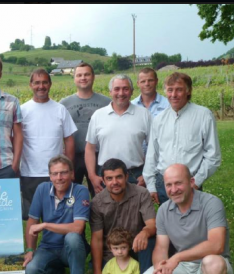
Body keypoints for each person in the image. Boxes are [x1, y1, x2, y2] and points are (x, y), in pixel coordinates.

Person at [140, 164, 233, 274]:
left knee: (212, 263)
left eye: (178, 183)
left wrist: (177, 258)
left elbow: (216, 245)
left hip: (211, 266)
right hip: (184, 266)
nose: (174, 189)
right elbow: (161, 246)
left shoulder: (211, 203)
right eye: (169, 185)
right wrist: (160, 266)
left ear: (191, 182)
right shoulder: (163, 210)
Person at [143, 72, 221, 205]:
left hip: (190, 183)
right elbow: (152, 155)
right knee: (168, 223)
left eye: (179, 90)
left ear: (188, 91)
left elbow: (213, 156)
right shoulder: (159, 120)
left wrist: (196, 182)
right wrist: (151, 186)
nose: (174, 95)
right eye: (170, 90)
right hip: (164, 184)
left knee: (192, 223)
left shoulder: (203, 116)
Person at [23, 155, 90, 274]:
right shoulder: (42, 189)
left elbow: (78, 228)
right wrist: (29, 249)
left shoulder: (80, 191)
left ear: (72, 174)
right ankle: (57, 273)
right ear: (50, 176)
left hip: (71, 248)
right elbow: (32, 221)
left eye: (63, 172)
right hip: (48, 247)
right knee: (31, 271)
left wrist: (45, 225)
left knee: (72, 237)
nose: (59, 177)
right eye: (54, 173)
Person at [89, 158, 156, 274]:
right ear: (104, 181)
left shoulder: (141, 194)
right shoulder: (97, 202)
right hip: (112, 253)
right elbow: (97, 239)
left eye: (119, 177)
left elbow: (152, 224)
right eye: (109, 178)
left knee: (150, 240)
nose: (115, 182)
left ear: (126, 177)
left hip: (136, 249)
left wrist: (145, 232)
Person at [20, 68, 76, 220]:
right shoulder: (22, 110)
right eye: (37, 83)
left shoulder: (60, 109)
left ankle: (54, 243)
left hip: (56, 173)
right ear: (30, 85)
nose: (41, 86)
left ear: (50, 84)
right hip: (30, 173)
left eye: (45, 82)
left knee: (58, 215)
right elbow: (16, 141)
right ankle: (33, 244)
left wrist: (68, 168)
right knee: (32, 217)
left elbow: (69, 139)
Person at [85, 74, 151, 194]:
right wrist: (92, 176)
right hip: (106, 176)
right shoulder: (98, 115)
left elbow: (153, 147)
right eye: (117, 89)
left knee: (135, 211)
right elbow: (90, 148)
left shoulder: (144, 114)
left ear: (131, 91)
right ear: (110, 92)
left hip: (135, 175)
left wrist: (147, 174)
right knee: (107, 211)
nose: (121, 93)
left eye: (125, 89)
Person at [60, 62, 111, 196]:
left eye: (87, 74)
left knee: (100, 194)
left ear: (93, 77)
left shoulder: (106, 103)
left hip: (99, 156)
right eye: (79, 75)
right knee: (70, 194)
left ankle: (98, 217)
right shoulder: (64, 104)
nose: (83, 78)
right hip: (73, 156)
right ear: (74, 78)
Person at [131, 67, 170, 156]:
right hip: (138, 159)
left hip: (161, 156)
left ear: (156, 81)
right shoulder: (131, 106)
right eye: (143, 81)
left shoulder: (168, 105)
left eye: (150, 80)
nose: (147, 84)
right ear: (138, 84)